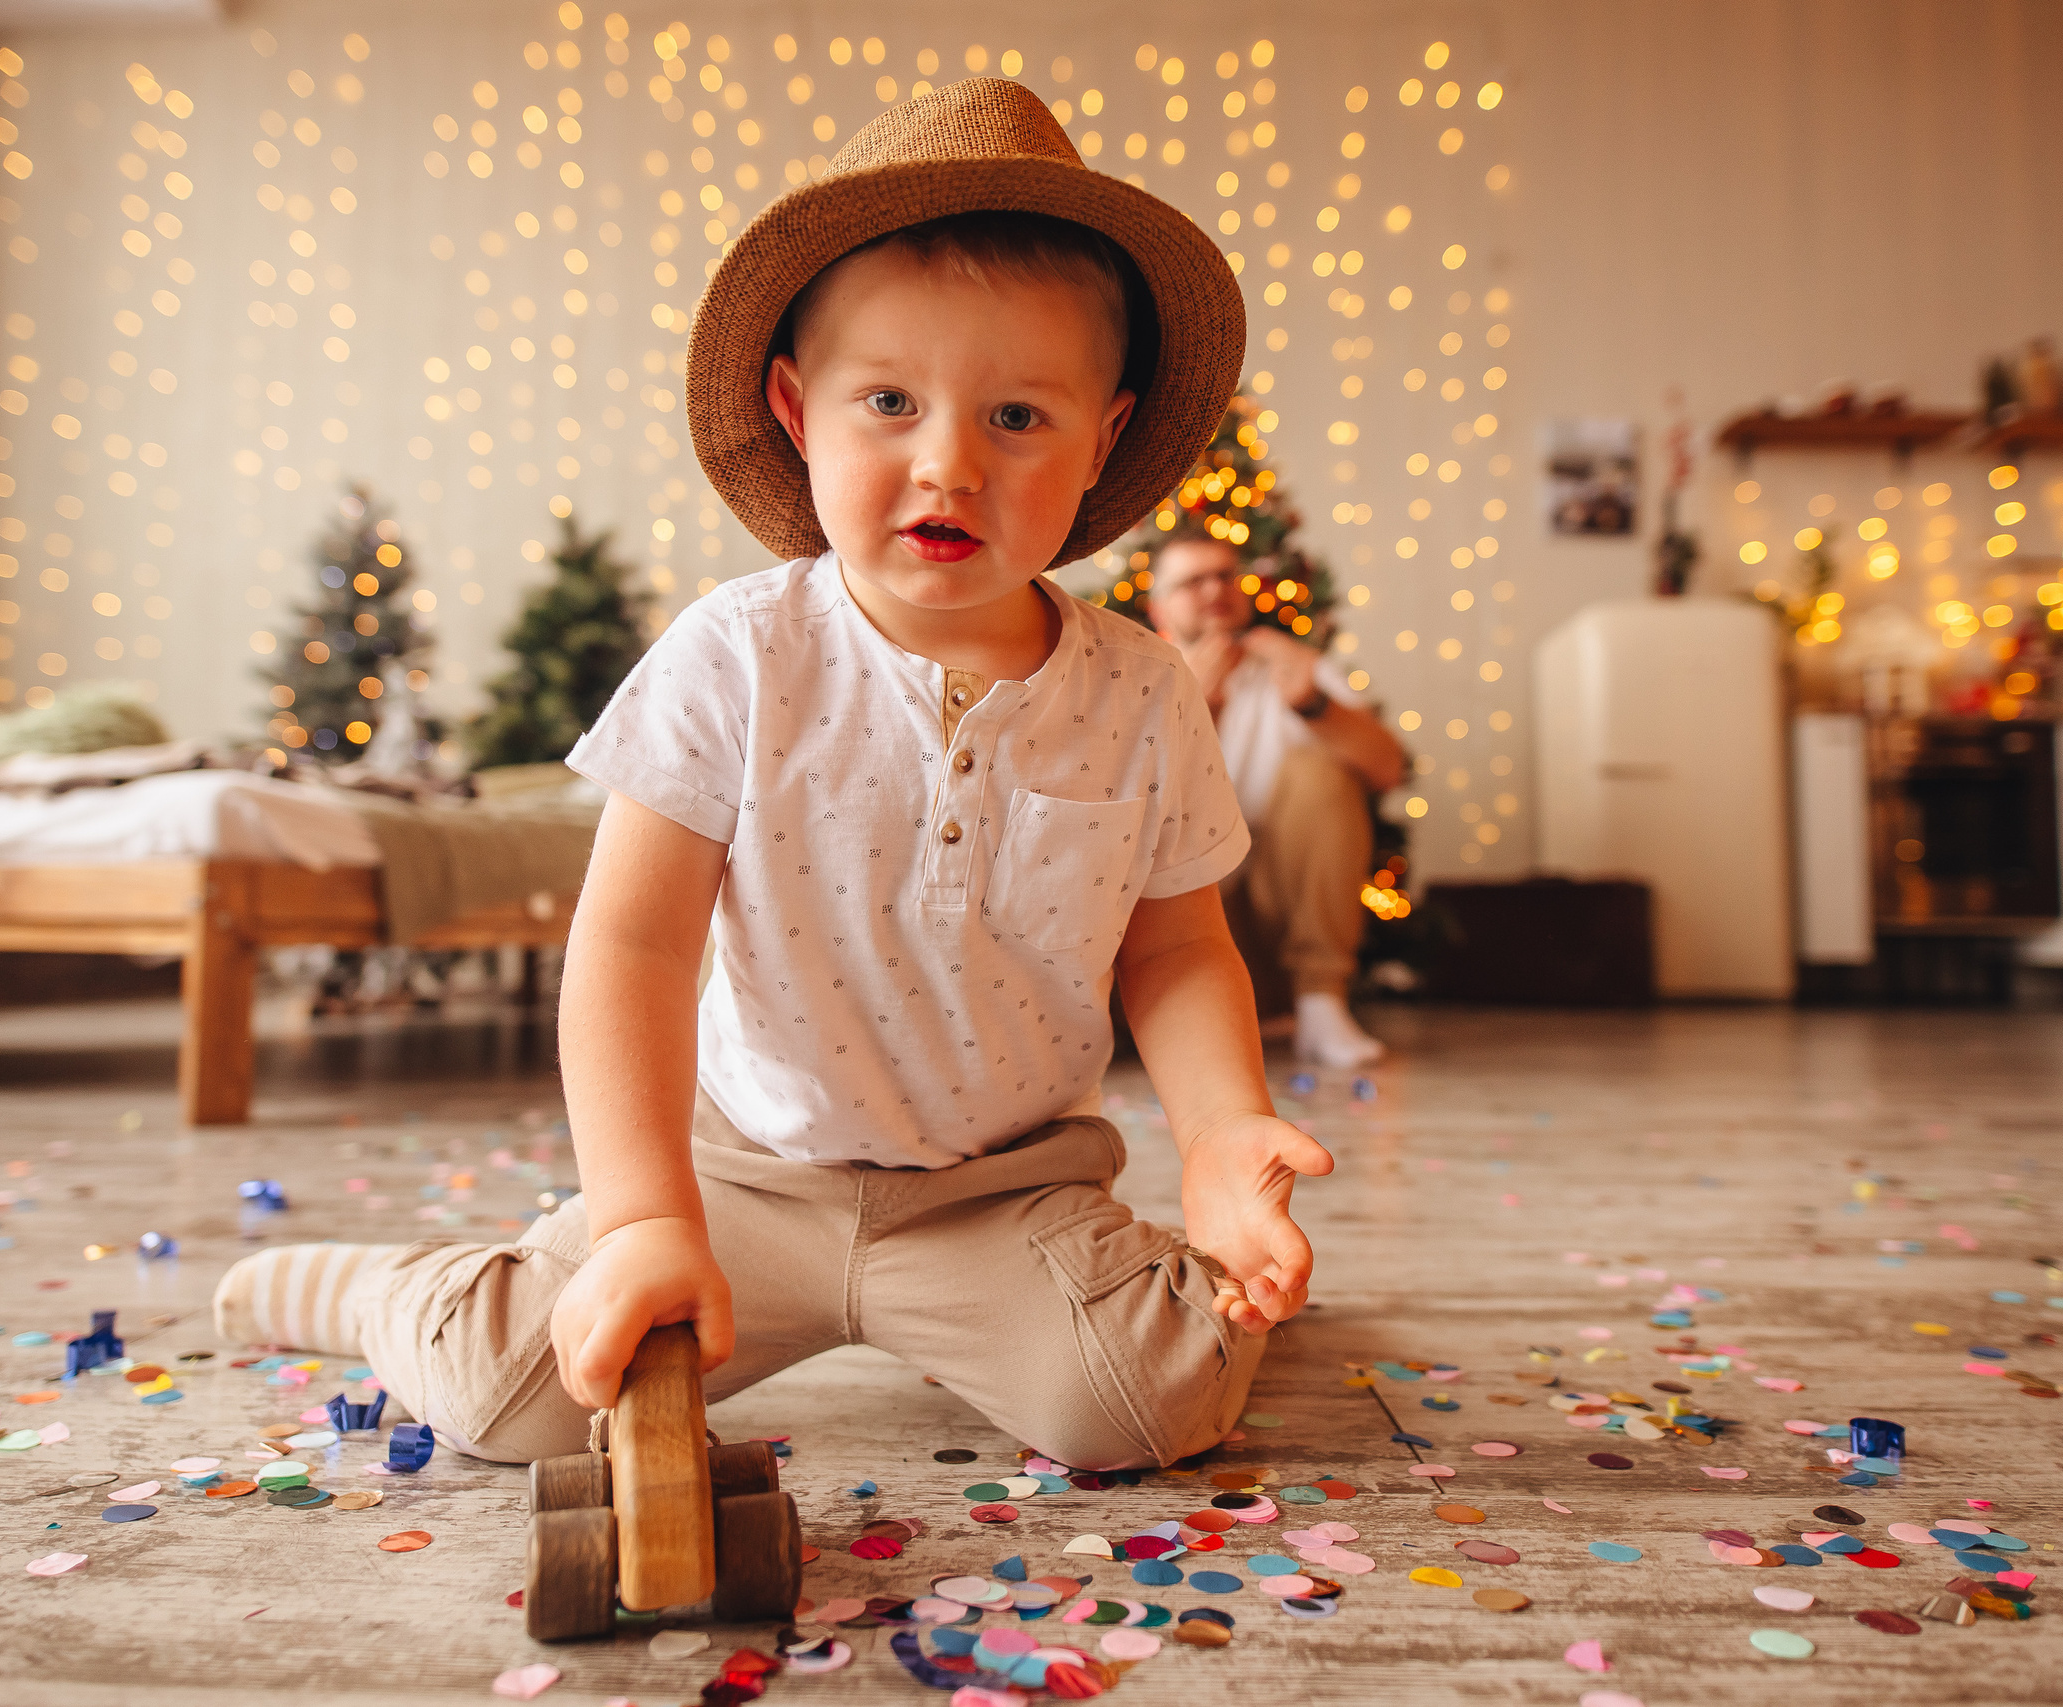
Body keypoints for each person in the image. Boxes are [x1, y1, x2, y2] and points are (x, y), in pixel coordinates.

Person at [213, 79, 1333, 1472]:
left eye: (1019, 417)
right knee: (509, 1394)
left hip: (1003, 1189)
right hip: (744, 1172)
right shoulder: (738, 654)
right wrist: (638, 1218)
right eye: (890, 401)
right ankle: (386, 1288)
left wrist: (1222, 1133)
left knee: (1140, 1399)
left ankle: (1204, 1263)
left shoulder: (1140, 686)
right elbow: (631, 942)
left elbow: (1176, 945)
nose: (948, 463)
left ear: (1103, 437)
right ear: (801, 414)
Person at [1147, 536, 1406, 1067]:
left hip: (1282, 922)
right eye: (1192, 581)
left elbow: (1389, 769)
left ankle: (1320, 1002)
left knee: (1320, 771)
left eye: (1225, 575)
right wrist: (1195, 711)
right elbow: (1131, 820)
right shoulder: (1139, 681)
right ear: (1158, 608)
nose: (1215, 588)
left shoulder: (1294, 668)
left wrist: (1313, 704)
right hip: (1184, 930)